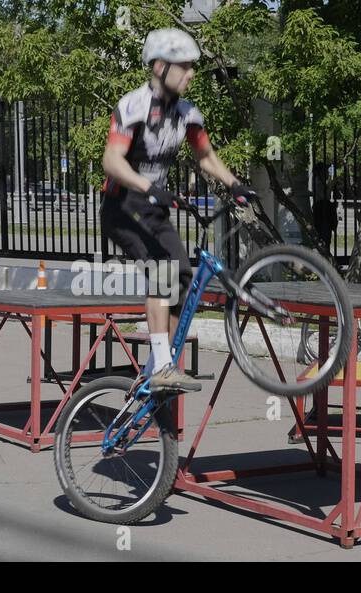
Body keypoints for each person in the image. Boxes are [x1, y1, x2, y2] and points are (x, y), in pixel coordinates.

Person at [101, 28, 254, 394]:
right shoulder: (133, 106)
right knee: (163, 268)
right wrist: (148, 187)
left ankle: (158, 365)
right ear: (158, 66)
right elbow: (111, 160)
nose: (191, 73)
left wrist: (234, 184)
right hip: (122, 206)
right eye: (183, 66)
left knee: (182, 276)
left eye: (191, 66)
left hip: (152, 208)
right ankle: (163, 366)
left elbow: (206, 157)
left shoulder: (187, 114)